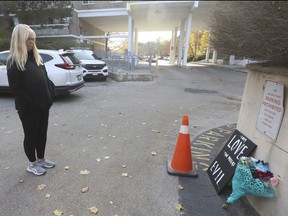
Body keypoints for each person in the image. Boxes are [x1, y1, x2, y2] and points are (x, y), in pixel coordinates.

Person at [7, 24, 55, 176]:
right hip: (28, 109)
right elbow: (16, 89)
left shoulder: (35, 57)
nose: (31, 42)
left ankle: (41, 159)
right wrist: (33, 104)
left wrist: (50, 95)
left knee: (42, 134)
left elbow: (45, 78)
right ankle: (32, 164)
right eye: (28, 39)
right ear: (19, 39)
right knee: (31, 136)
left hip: (43, 106)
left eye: (33, 39)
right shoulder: (14, 61)